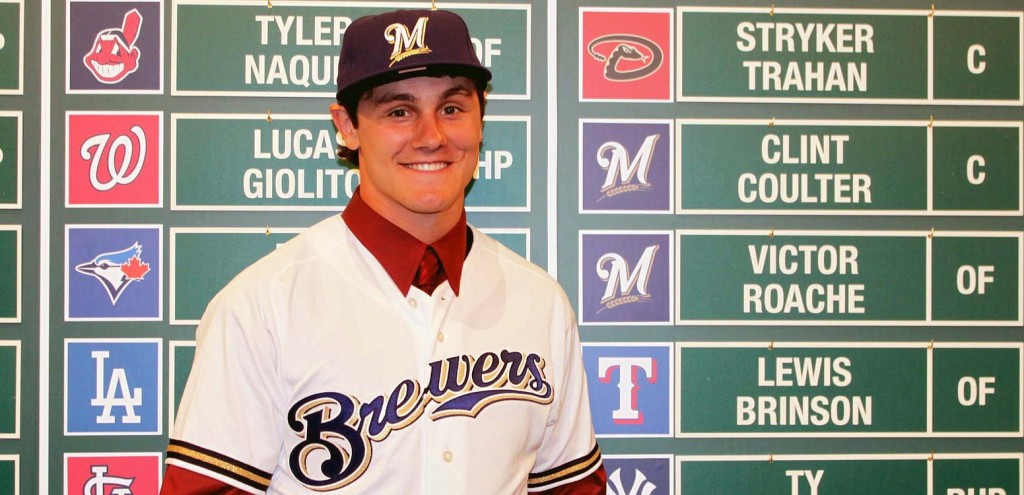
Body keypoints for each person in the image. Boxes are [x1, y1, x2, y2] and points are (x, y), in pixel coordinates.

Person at [160, 7, 606, 494]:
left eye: (452, 108)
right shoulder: (262, 307)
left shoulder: (540, 304)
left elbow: (572, 488)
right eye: (399, 110)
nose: (431, 136)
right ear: (347, 127)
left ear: (481, 120)